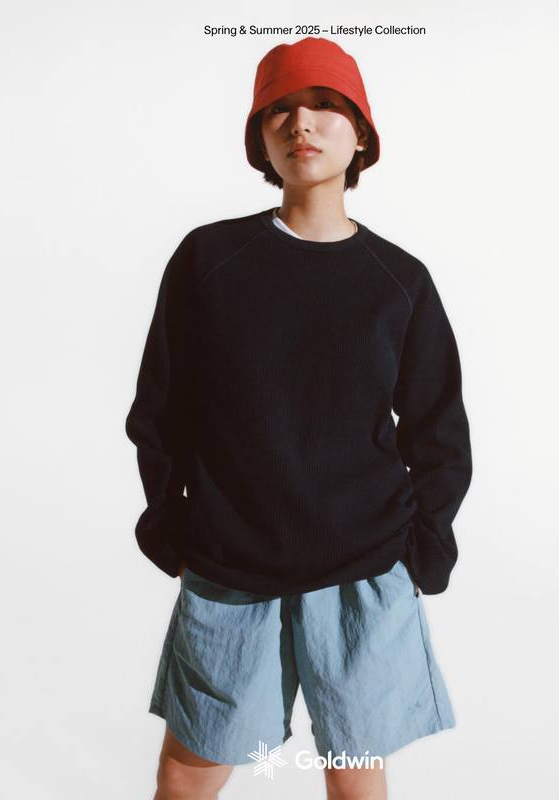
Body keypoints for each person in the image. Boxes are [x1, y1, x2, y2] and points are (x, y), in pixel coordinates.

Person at [125, 36, 473, 800]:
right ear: (259, 138)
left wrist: (423, 554)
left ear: (362, 136)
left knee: (355, 780)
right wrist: (171, 532)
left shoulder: (399, 282)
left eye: (323, 105)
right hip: (229, 570)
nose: (300, 123)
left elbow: (440, 433)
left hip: (364, 572)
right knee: (186, 778)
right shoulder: (208, 260)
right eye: (278, 109)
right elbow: (161, 410)